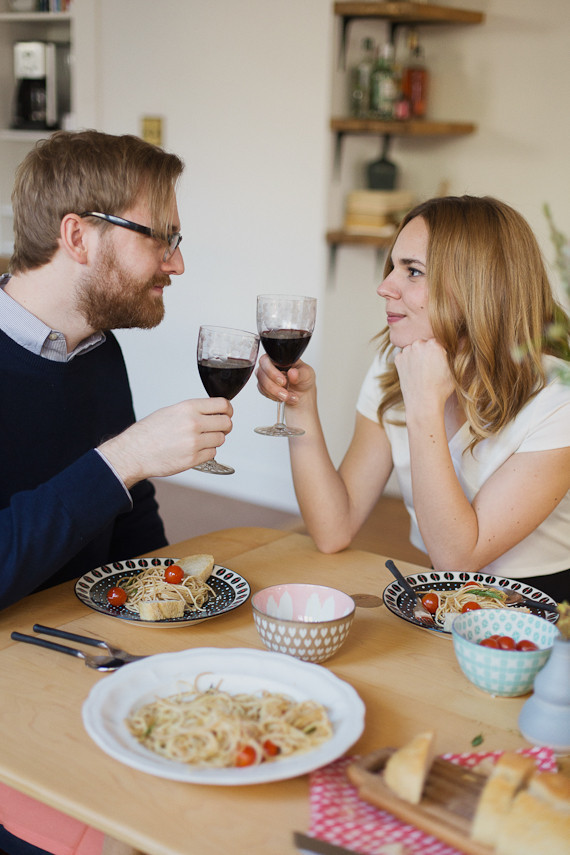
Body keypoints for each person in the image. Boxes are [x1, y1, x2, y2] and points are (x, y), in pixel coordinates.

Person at [0, 131, 233, 852]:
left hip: (86, 654)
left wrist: (178, 604)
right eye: (159, 237)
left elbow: (127, 516)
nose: (178, 261)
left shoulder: (100, 350)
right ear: (77, 236)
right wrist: (123, 456)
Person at [257, 195, 570, 603]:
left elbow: (457, 559)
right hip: (438, 596)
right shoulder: (396, 363)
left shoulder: (557, 400)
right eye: (393, 266)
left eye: (413, 271)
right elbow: (334, 529)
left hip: (540, 608)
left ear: (479, 288)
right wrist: (300, 403)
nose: (385, 286)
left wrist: (425, 405)